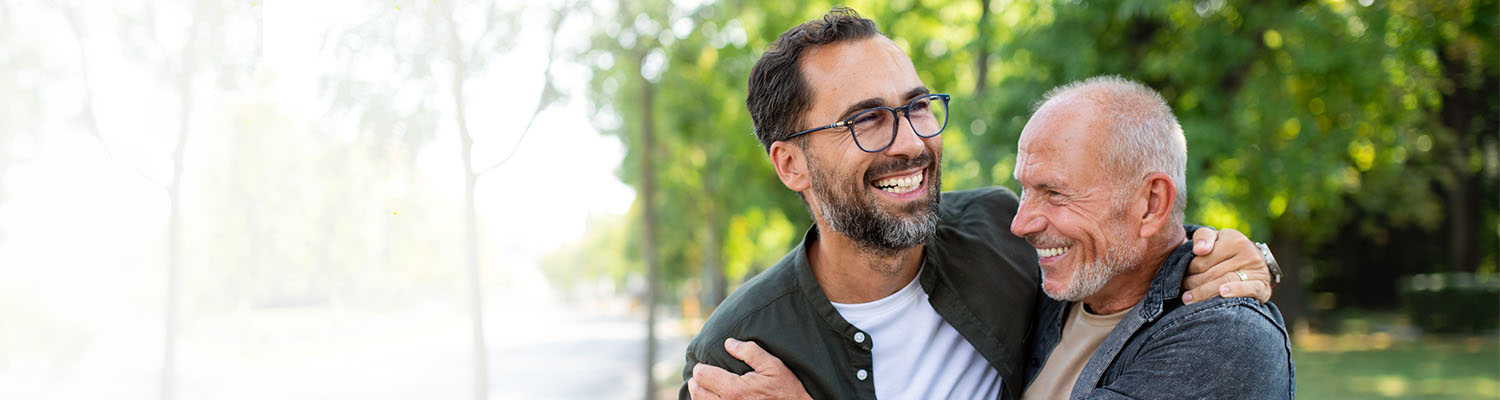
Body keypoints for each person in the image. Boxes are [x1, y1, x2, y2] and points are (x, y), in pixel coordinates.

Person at [680, 8, 1278, 400]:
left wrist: (1231, 254)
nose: (912, 141)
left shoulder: (998, 232)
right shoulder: (738, 355)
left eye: (916, 106)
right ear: (791, 164)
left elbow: (1122, 231)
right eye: (867, 120)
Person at [1012, 76, 1294, 399]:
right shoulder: (1037, 288)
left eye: (1054, 192)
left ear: (1151, 204)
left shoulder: (1228, 336)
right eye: (1025, 189)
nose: (1020, 225)